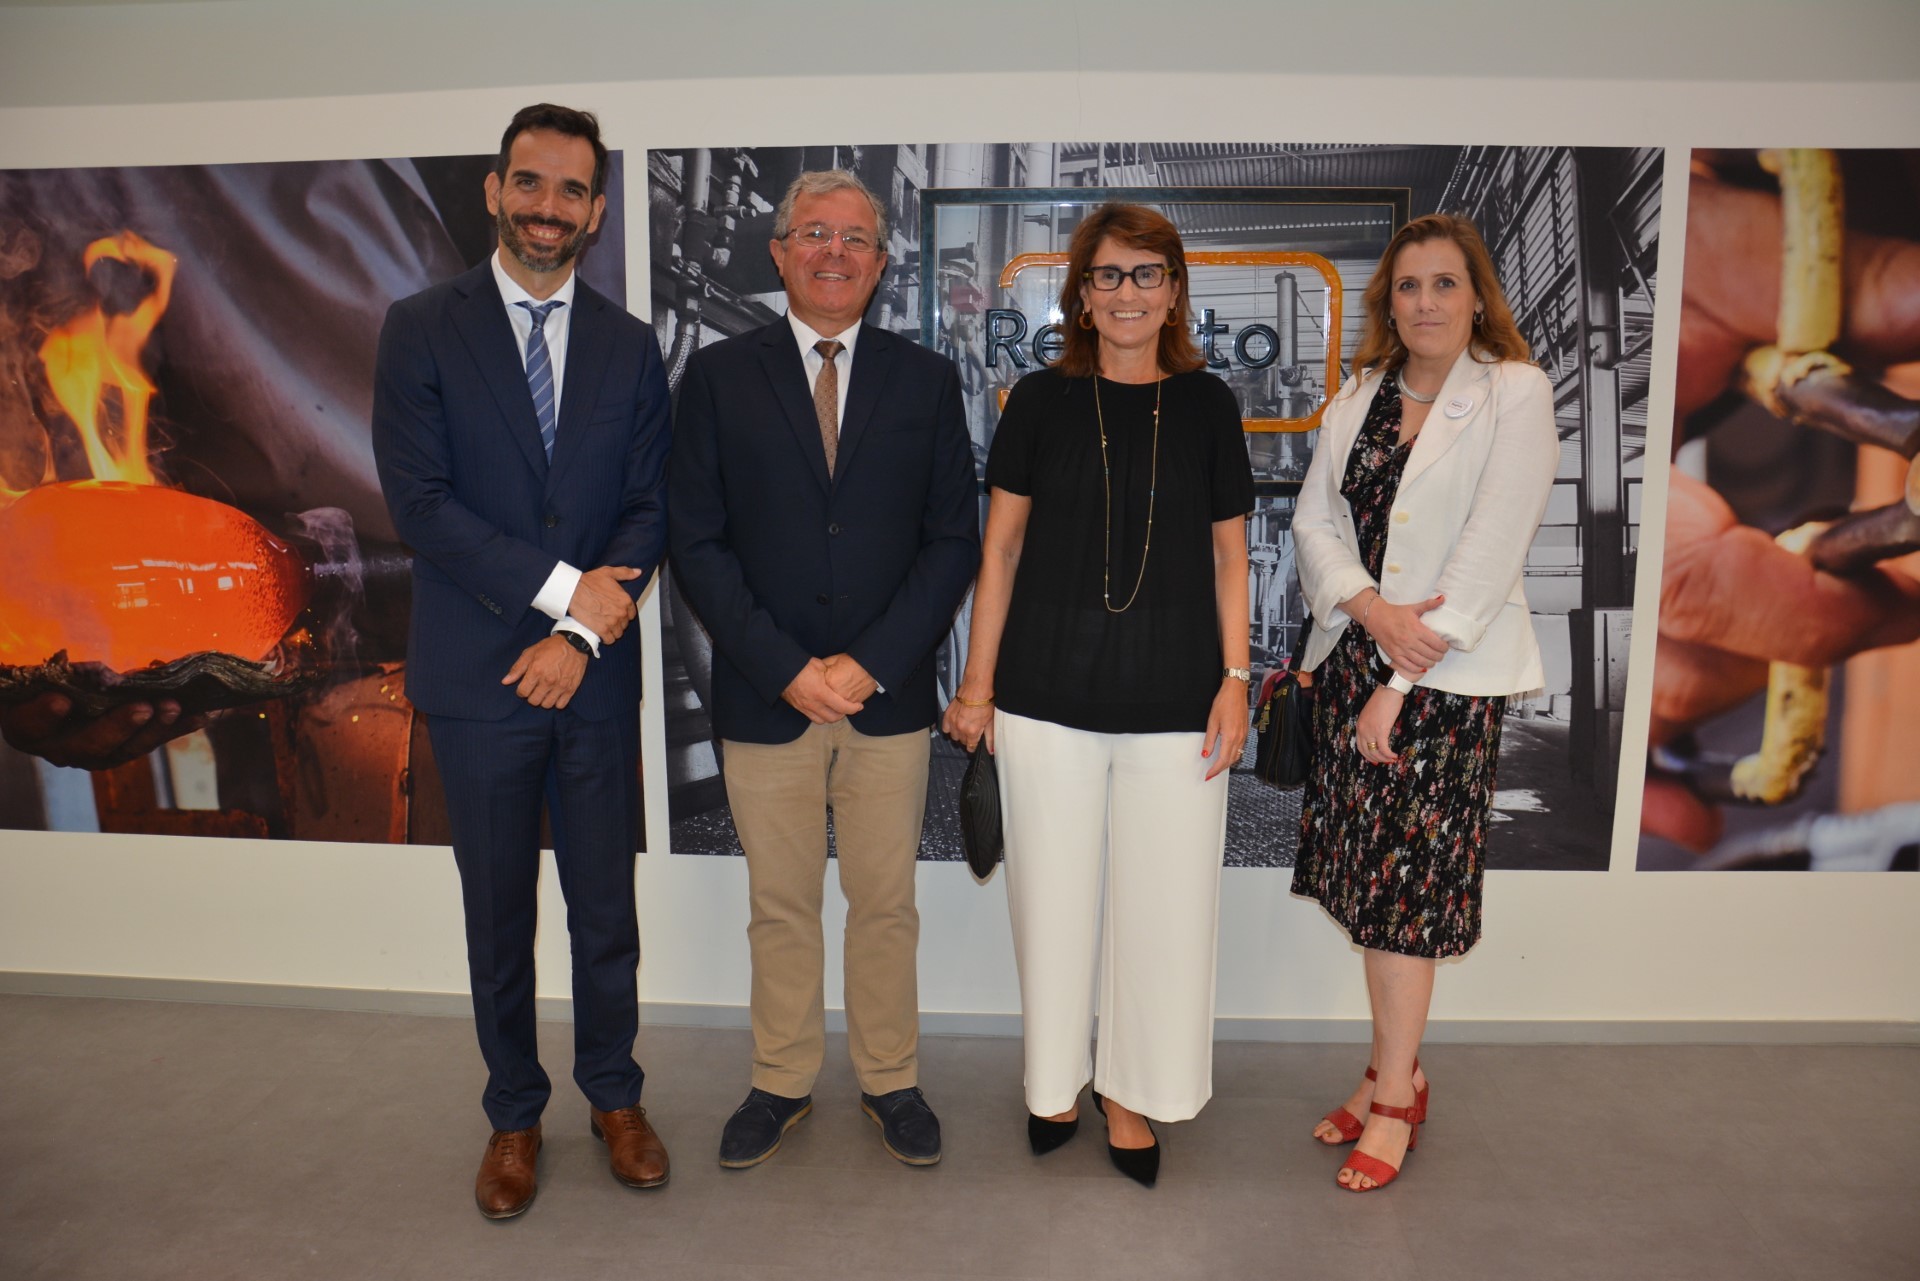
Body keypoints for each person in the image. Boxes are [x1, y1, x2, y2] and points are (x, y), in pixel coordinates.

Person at [371, 103, 672, 1219]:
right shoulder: (419, 328)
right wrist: (559, 596)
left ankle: (615, 1097)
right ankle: (513, 1114)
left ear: (596, 211)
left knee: (605, 912)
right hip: (478, 680)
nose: (550, 208)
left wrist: (579, 637)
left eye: (572, 190)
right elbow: (420, 505)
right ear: (496, 190)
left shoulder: (629, 345)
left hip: (590, 680)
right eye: (531, 183)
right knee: (497, 917)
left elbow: (647, 511)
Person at [668, 170, 978, 1170]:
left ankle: (891, 1079)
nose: (833, 252)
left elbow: (952, 543)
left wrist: (872, 665)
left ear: (881, 263)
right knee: (781, 906)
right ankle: (781, 1080)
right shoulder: (718, 378)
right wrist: (786, 666)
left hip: (886, 703)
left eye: (854, 238)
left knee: (886, 904)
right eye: (813, 233)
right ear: (779, 250)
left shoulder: (927, 381)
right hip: (767, 697)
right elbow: (696, 542)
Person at [942, 203, 1254, 1188]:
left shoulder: (1208, 405)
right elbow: (1000, 551)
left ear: (1174, 292)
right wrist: (978, 686)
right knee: (1052, 904)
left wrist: (1237, 680)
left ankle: (1132, 1093)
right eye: (1109, 275)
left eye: (1146, 274)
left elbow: (1231, 559)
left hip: (1180, 699)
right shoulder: (1038, 402)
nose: (1127, 293)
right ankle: (1054, 1085)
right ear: (1082, 295)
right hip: (1043, 694)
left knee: (1165, 913)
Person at [1290, 212, 1557, 1191]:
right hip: (1354, 659)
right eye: (1408, 285)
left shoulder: (1515, 391)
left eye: (1446, 283)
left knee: (1406, 898)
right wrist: (1366, 609)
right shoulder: (1359, 393)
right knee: (1369, 888)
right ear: (1388, 302)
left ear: (1478, 296)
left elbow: (1491, 546)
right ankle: (1386, 1071)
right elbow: (1314, 520)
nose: (1426, 302)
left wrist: (1399, 680)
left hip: (1440, 684)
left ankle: (1397, 1096)